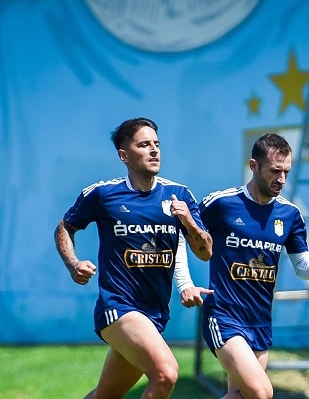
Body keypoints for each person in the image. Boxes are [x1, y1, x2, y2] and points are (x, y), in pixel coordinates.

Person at [54, 117, 213, 399]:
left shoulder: (179, 195)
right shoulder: (103, 194)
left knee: (105, 395)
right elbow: (65, 226)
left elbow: (205, 252)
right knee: (165, 374)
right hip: (117, 307)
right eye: (144, 144)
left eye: (157, 144)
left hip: (155, 314)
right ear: (124, 155)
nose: (154, 150)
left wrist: (189, 222)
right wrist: (73, 263)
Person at [198, 133, 309, 399]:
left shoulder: (290, 214)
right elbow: (184, 234)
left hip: (260, 321)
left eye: (286, 172)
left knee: (243, 395)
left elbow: (302, 267)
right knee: (261, 393)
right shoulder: (221, 203)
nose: (281, 179)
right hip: (224, 315)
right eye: (275, 171)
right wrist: (184, 284)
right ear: (254, 166)